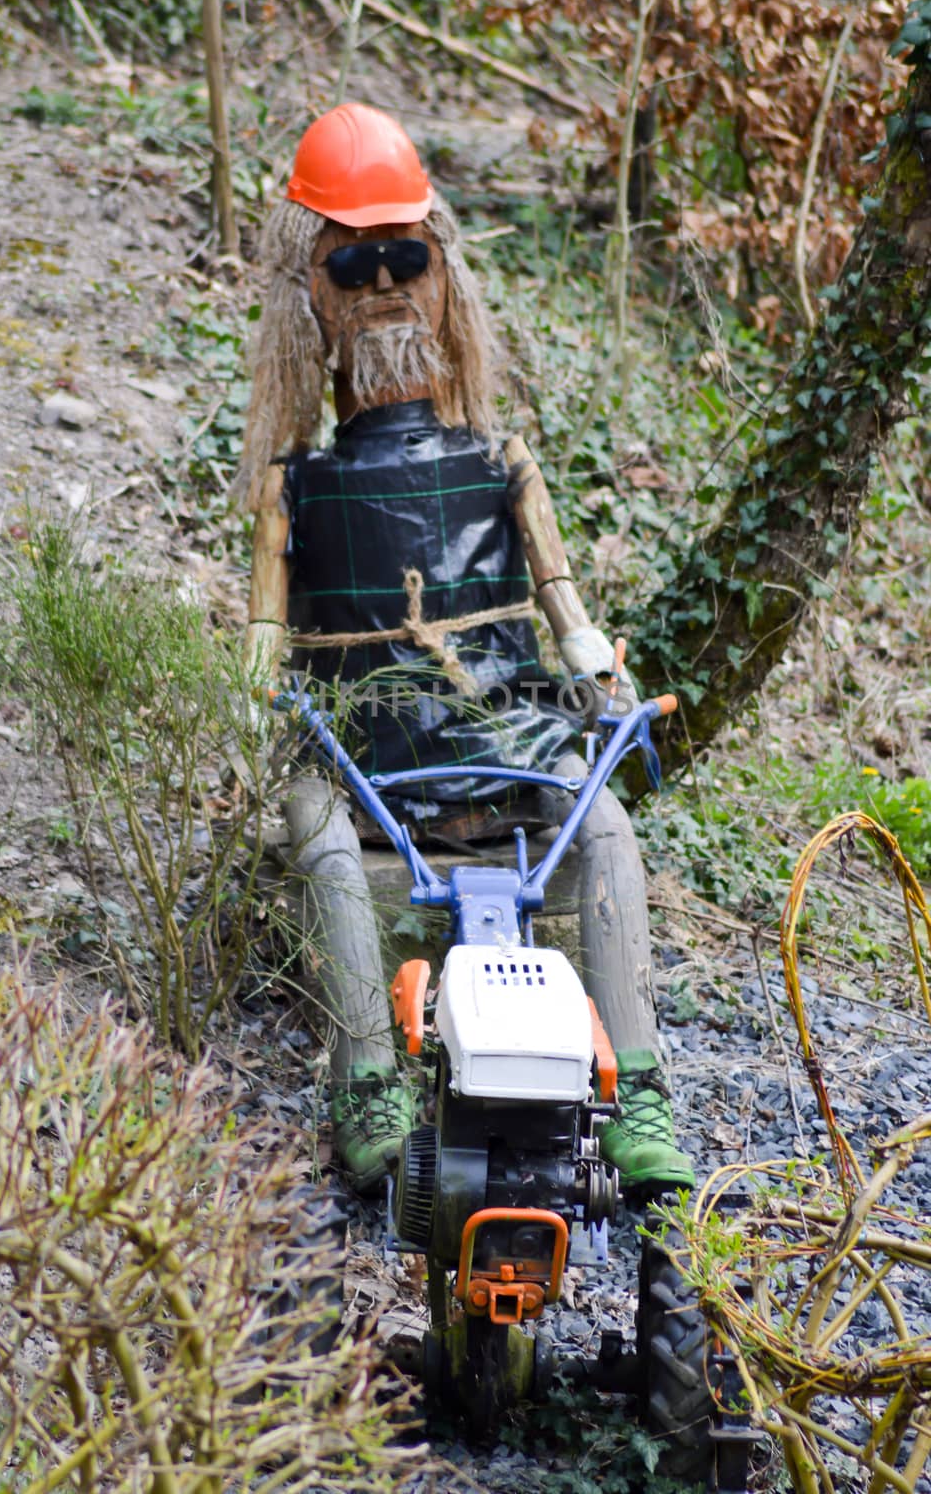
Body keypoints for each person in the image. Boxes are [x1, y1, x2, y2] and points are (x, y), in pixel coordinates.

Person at [236, 102, 694, 1200]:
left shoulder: (502, 460)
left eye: (406, 256)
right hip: (362, 750)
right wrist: (252, 699)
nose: (384, 285)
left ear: (443, 277)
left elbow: (561, 599)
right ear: (309, 296)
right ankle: (365, 1081)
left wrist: (593, 672)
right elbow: (261, 635)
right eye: (354, 265)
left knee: (608, 826)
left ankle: (636, 1088)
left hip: (501, 726)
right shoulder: (290, 487)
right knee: (322, 837)